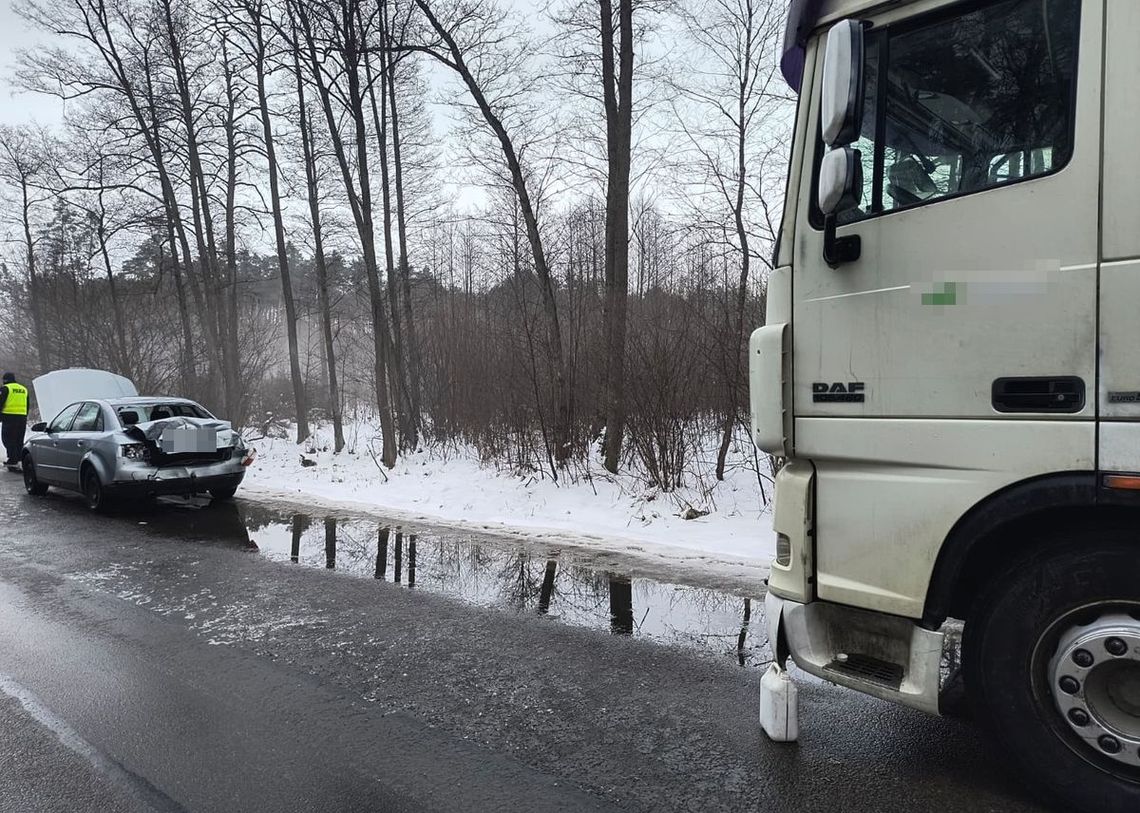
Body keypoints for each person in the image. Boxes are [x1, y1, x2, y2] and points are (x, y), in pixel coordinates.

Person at [0, 372, 29, 469]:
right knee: (18, 439)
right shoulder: (23, 389)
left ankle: (13, 459)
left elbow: (0, 403)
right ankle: (19, 459)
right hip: (22, 417)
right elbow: (27, 405)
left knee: (8, 439)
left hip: (9, 417)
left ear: (5, 380)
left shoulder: (5, 388)